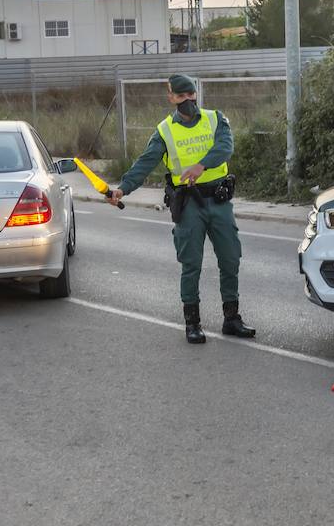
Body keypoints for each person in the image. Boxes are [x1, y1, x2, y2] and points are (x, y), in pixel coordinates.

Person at [108, 74, 256, 344]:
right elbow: (145, 163)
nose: (188, 100)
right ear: (171, 98)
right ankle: (193, 323)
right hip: (188, 205)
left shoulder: (216, 119)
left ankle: (231, 318)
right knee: (191, 264)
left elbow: (225, 148)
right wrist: (122, 188)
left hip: (219, 200)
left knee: (230, 259)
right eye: (181, 96)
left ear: (196, 94)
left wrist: (201, 166)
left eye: (191, 94)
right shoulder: (164, 131)